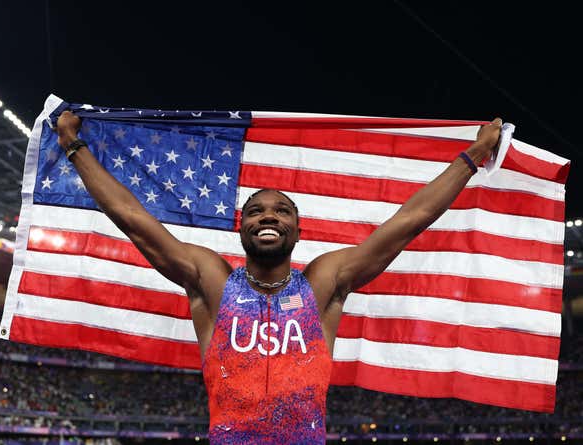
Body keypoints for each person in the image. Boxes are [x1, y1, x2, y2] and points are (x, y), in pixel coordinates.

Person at [56, 111, 502, 444]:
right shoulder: (212, 283)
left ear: (298, 229)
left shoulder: (324, 283)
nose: (267, 216)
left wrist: (473, 156)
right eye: (255, 211)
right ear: (242, 227)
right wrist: (74, 146)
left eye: (281, 210)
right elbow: (132, 217)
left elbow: (410, 220)